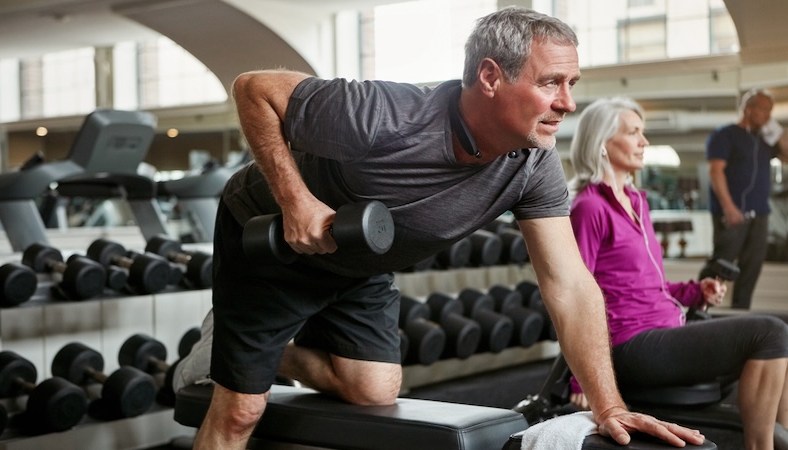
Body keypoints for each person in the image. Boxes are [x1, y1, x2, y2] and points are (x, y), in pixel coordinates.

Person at [193, 7, 705, 449]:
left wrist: (609, 407)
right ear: (490, 77)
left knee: (373, 389)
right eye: (551, 82)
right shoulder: (384, 114)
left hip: (359, 262)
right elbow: (253, 89)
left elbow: (569, 283)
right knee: (241, 411)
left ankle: (244, 349)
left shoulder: (533, 165)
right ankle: (236, 354)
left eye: (572, 84)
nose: (568, 102)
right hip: (271, 243)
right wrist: (295, 201)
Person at [567, 96, 788, 450]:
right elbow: (574, 296)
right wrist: (583, 381)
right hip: (631, 344)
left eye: (643, 132)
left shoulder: (637, 202)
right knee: (769, 332)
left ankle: (781, 436)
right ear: (602, 143)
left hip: (666, 329)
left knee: (782, 325)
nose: (644, 141)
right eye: (633, 133)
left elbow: (649, 285)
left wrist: (695, 291)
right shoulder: (590, 207)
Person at [705, 88, 788, 309]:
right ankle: (698, 311)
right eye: (764, 109)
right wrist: (729, 208)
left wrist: (778, 132)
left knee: (752, 268)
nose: (768, 115)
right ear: (748, 109)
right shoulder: (725, 134)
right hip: (732, 213)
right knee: (720, 265)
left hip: (759, 214)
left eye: (770, 111)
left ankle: (740, 314)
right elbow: (715, 171)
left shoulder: (764, 141)